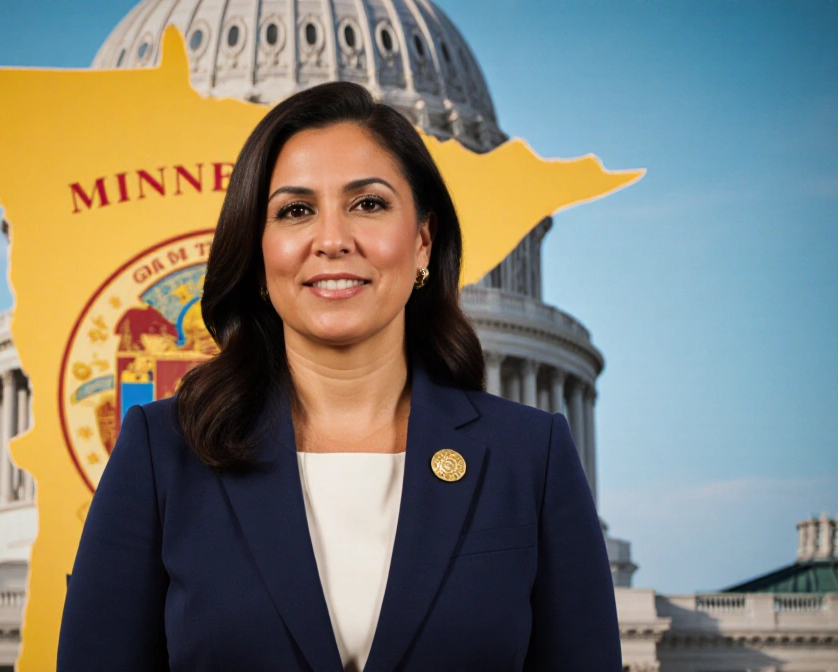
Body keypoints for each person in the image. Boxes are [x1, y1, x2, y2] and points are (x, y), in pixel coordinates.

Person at [57, 81, 621, 671]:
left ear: (423, 240)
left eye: (368, 204)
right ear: (257, 252)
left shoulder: (530, 458)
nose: (332, 241)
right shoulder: (163, 455)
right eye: (296, 211)